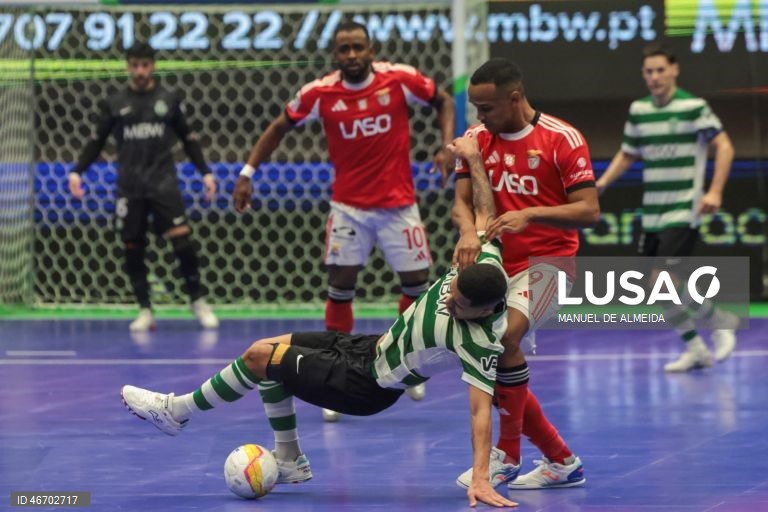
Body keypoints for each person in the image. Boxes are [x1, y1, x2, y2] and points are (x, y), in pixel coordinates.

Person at [121, 155, 518, 509]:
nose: (450, 302)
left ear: (484, 310)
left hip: (367, 385)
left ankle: (178, 412)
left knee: (261, 361)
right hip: (367, 347)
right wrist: (473, 160)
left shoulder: (478, 340)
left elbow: (479, 411)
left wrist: (480, 475)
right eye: (454, 292)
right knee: (269, 349)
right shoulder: (483, 263)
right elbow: (485, 214)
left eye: (460, 306)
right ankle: (289, 460)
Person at [232, 21, 455, 419]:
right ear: (336, 55)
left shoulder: (399, 79)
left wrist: (446, 146)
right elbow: (281, 126)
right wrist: (248, 173)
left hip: (399, 206)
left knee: (418, 286)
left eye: (357, 48)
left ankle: (410, 363)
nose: (351, 55)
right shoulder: (319, 93)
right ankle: (332, 374)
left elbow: (443, 101)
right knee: (340, 288)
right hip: (348, 208)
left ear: (370, 50)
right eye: (344, 49)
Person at [451, 58, 599, 490]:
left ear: (514, 98)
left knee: (503, 341)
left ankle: (508, 455)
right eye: (475, 109)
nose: (480, 118)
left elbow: (589, 211)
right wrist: (467, 231)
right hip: (494, 265)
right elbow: (462, 201)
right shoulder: (477, 139)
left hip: (549, 263)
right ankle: (561, 460)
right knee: (491, 354)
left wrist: (531, 215)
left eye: (488, 108)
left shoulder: (562, 139)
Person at [595, 42, 738, 372]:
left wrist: (714, 192)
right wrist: (603, 183)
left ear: (674, 70)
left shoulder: (694, 107)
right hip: (653, 213)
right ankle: (697, 348)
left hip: (683, 208)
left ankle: (720, 321)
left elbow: (725, 146)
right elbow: (629, 153)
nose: (655, 77)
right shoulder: (639, 110)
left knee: (663, 279)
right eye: (649, 71)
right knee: (655, 286)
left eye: (661, 70)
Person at [68, 42, 218, 332]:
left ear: (153, 66)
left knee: (183, 243)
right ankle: (145, 310)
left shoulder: (169, 99)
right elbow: (96, 141)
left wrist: (206, 174)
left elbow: (188, 139)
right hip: (130, 187)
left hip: (163, 183)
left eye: (145, 65)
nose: (140, 71)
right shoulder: (114, 103)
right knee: (133, 247)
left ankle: (197, 301)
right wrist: (77, 172)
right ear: (128, 66)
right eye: (134, 65)